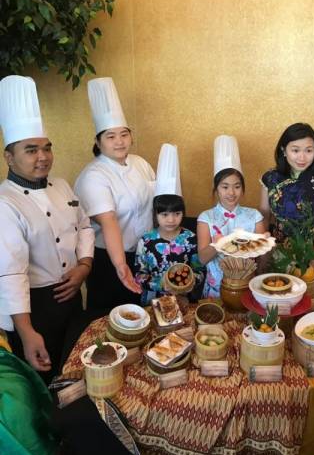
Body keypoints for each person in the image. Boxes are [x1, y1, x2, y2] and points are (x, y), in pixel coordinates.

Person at [0, 76, 94, 383]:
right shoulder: (5, 203)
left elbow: (84, 226)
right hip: (34, 306)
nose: (42, 157)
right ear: (9, 157)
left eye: (46, 148)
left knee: (75, 369)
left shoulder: (62, 185)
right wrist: (26, 332)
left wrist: (84, 265)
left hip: (71, 295)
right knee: (43, 380)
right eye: (30, 150)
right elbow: (11, 274)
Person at [75, 77, 155, 310]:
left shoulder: (140, 163)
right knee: (111, 322)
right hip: (108, 261)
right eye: (110, 136)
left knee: (144, 319)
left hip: (143, 257)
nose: (119, 141)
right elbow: (108, 221)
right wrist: (121, 266)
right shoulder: (94, 175)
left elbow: (157, 204)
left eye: (124, 134)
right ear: (98, 142)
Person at [260, 123, 314, 274]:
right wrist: (263, 255)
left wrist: (309, 268)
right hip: (276, 254)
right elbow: (264, 217)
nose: (302, 157)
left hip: (309, 257)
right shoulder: (271, 179)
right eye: (295, 150)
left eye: (308, 150)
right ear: (284, 150)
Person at [135, 144, 204, 304]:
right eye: (164, 214)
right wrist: (162, 283)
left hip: (184, 301)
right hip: (152, 302)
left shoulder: (191, 238)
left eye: (177, 214)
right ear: (155, 214)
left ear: (183, 213)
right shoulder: (146, 241)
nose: (171, 220)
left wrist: (190, 283)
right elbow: (139, 275)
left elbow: (199, 270)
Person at [197, 135, 265, 298]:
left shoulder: (254, 216)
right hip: (215, 291)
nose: (231, 193)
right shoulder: (206, 217)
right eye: (225, 186)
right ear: (216, 188)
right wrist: (218, 244)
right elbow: (202, 259)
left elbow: (262, 260)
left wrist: (265, 244)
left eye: (237, 186)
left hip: (247, 288)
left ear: (242, 188)